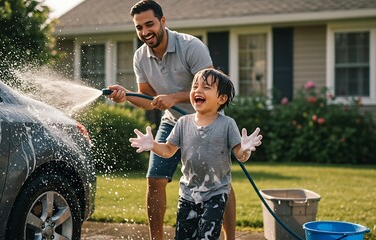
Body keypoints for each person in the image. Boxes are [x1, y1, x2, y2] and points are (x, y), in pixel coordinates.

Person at [106, 1, 237, 239]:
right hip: (173, 121)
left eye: (149, 24)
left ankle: (230, 238)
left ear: (163, 21)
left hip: (208, 120)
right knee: (155, 179)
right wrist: (126, 96)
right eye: (139, 27)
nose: (145, 32)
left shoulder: (191, 46)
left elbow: (211, 87)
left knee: (219, 183)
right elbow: (148, 99)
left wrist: (173, 97)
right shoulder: (140, 57)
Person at [129, 68, 262, 240]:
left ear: (221, 98)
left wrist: (245, 149)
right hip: (188, 194)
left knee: (207, 236)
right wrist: (153, 145)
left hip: (216, 193)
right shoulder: (183, 123)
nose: (198, 90)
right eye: (195, 86)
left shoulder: (227, 124)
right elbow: (169, 150)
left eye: (206, 87)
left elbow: (240, 156)